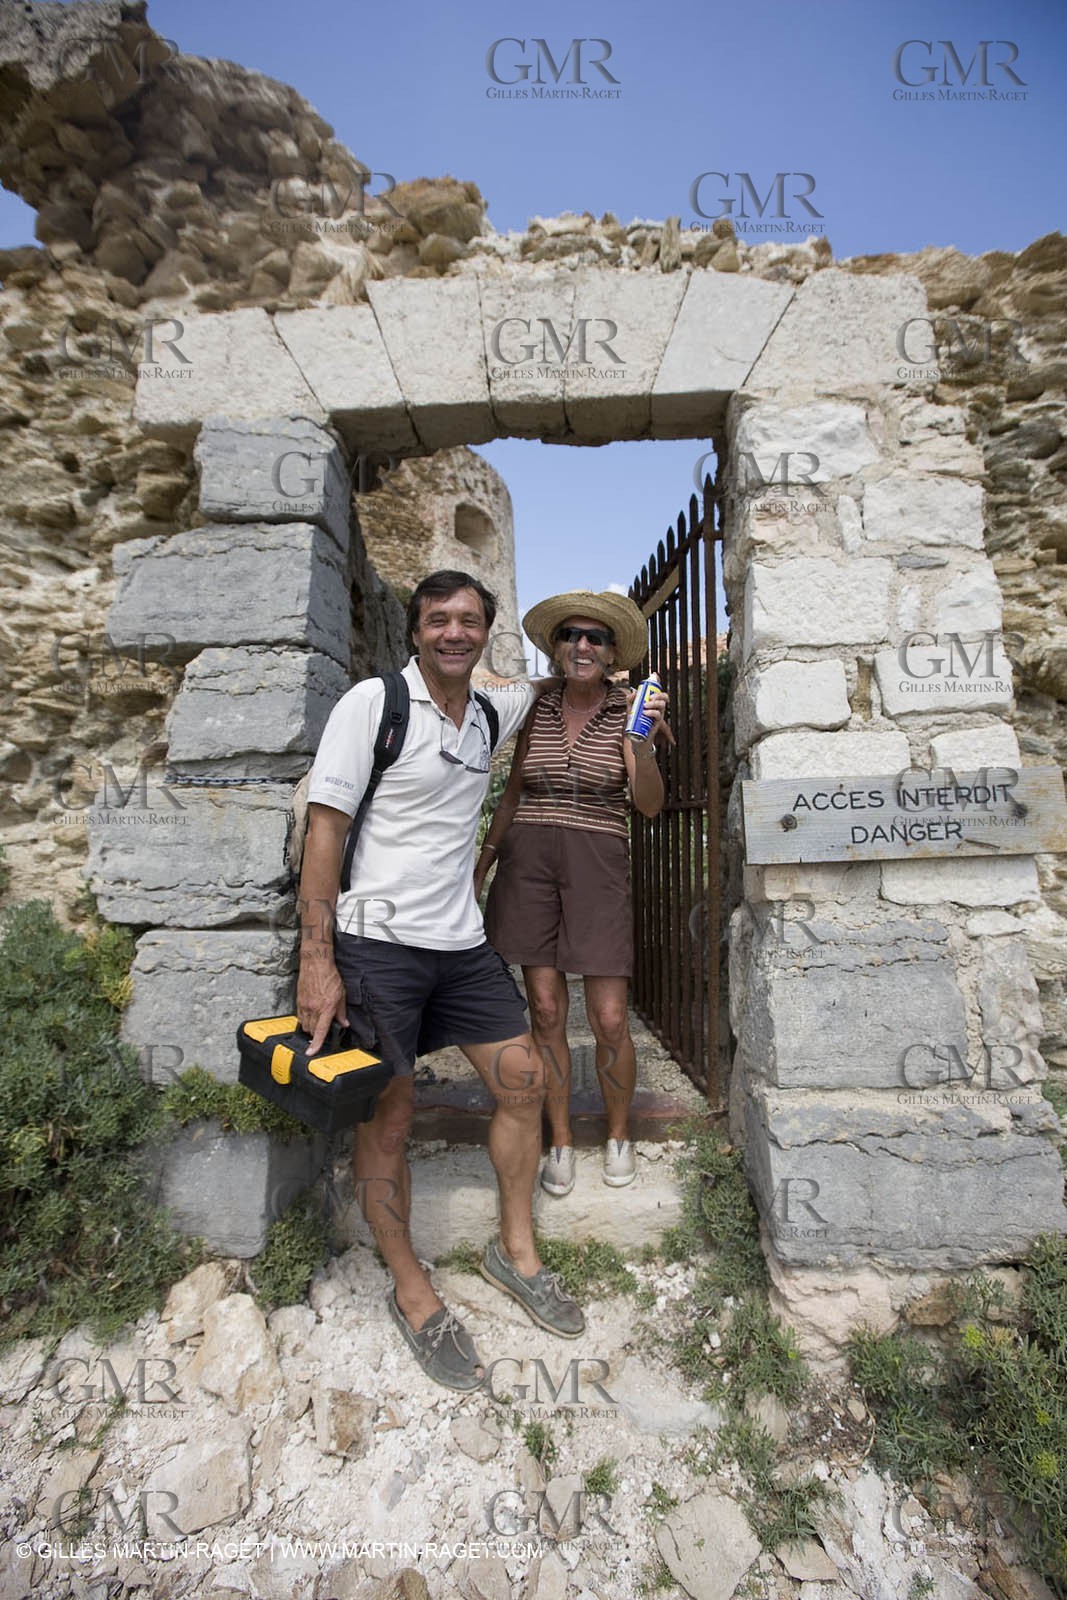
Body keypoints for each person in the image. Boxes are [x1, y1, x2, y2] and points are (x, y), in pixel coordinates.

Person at [297, 570, 584, 1393]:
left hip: (460, 944)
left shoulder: (492, 710)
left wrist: (614, 680)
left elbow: (550, 683)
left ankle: (513, 1251)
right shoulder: (374, 704)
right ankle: (412, 1290)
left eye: (467, 620)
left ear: (486, 632)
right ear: (414, 631)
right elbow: (325, 829)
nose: (453, 632)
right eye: (437, 620)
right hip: (376, 946)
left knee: (523, 1081)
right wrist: (317, 960)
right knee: (388, 1120)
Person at [475, 590, 668, 1197]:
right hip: (528, 862)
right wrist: (483, 862)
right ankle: (559, 1140)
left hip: (598, 863)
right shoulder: (536, 704)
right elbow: (513, 791)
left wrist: (642, 745)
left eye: (596, 638)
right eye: (571, 635)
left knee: (609, 1017)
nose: (582, 646)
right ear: (556, 647)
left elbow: (649, 805)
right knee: (547, 1011)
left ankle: (618, 1134)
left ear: (612, 653)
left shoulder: (630, 710)